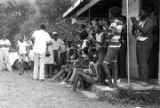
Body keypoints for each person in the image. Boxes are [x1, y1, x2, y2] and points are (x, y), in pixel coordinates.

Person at [101, 6, 123, 87]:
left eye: (109, 13)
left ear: (112, 14)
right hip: (117, 45)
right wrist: (107, 28)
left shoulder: (114, 22)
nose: (108, 14)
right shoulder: (119, 22)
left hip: (112, 45)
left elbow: (113, 33)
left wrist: (107, 37)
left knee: (104, 64)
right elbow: (115, 31)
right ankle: (115, 84)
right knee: (114, 64)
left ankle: (110, 83)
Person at [131, 7, 153, 82]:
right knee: (139, 62)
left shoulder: (149, 21)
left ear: (147, 13)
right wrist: (134, 25)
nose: (139, 14)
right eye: (139, 12)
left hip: (146, 42)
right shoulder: (140, 21)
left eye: (141, 12)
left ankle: (145, 81)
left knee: (143, 62)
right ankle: (141, 80)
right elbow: (133, 33)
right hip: (139, 41)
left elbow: (144, 31)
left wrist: (135, 22)